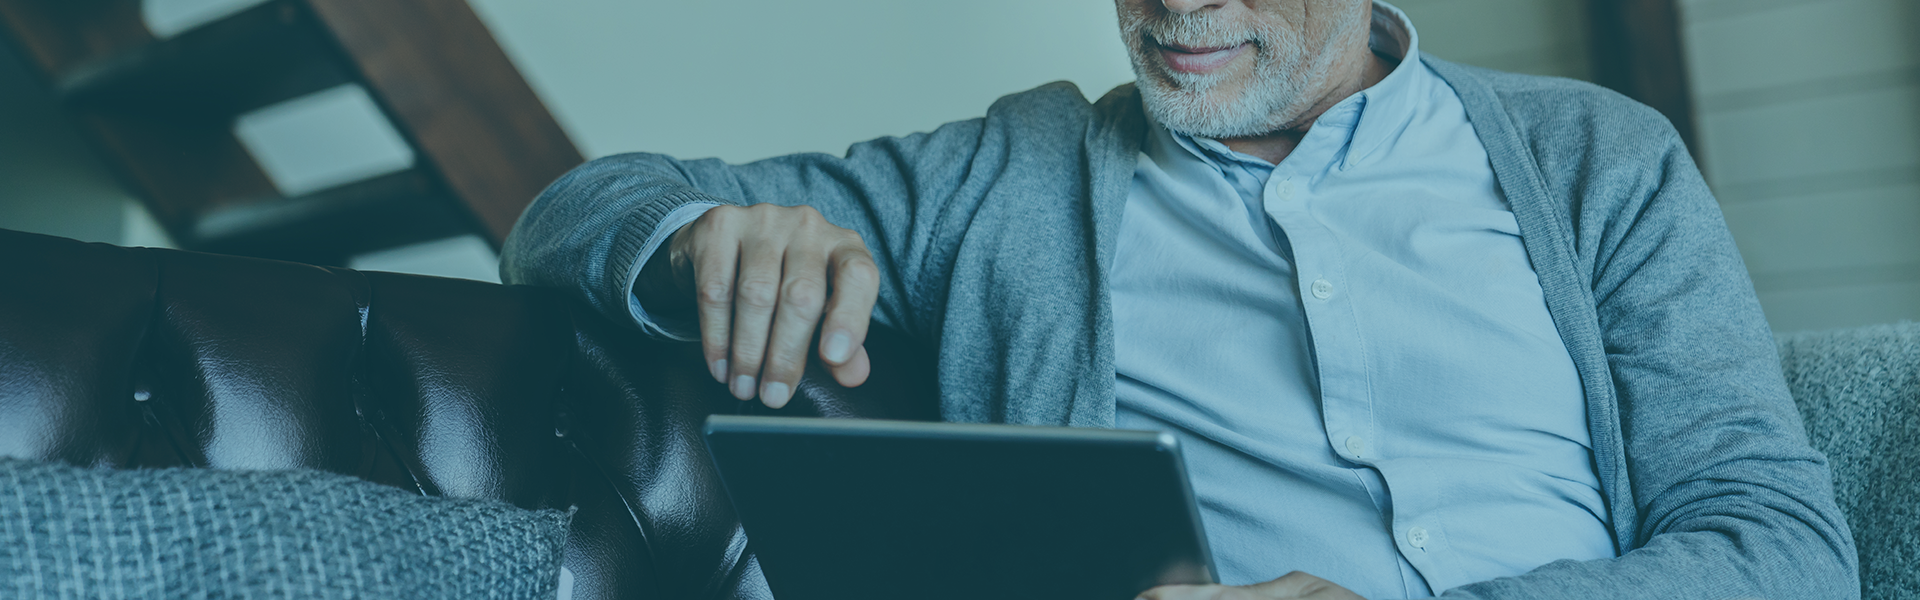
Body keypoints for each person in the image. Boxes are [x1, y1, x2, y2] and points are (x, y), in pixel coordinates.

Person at [500, 0, 1858, 597]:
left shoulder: (1597, 161)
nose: (1177, 2)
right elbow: (574, 205)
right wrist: (702, 237)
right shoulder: (1013, 176)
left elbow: (1783, 550)